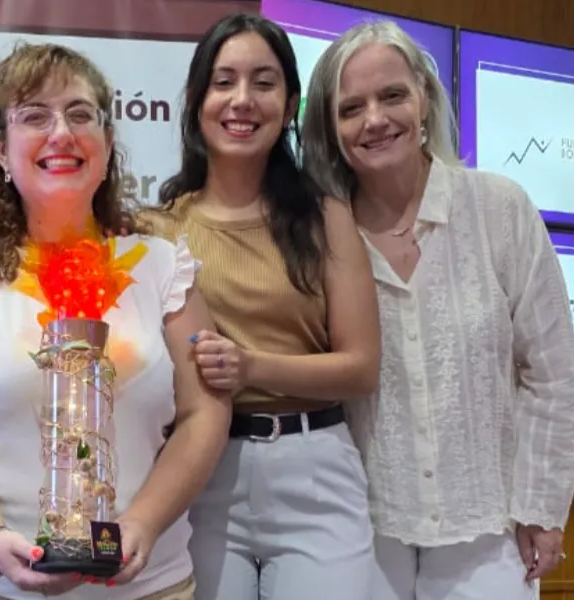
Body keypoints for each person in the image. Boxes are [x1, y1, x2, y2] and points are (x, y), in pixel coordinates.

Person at [0, 41, 231, 600]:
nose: (61, 133)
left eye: (80, 114)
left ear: (107, 142)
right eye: (34, 116)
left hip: (143, 586)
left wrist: (143, 523)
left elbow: (205, 412)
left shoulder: (162, 268)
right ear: (0, 150)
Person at [300, 19, 574, 600]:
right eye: (351, 107)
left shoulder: (499, 207)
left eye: (393, 95)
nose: (375, 119)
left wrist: (543, 507)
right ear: (332, 128)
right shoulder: (319, 236)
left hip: (487, 533)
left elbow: (553, 375)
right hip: (362, 531)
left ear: (424, 101)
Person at [138, 12, 381, 600]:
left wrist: (251, 367)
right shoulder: (156, 229)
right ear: (197, 101)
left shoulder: (326, 217)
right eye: (224, 82)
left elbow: (361, 367)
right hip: (198, 473)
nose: (242, 100)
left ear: (291, 104)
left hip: (315, 472)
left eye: (263, 83)